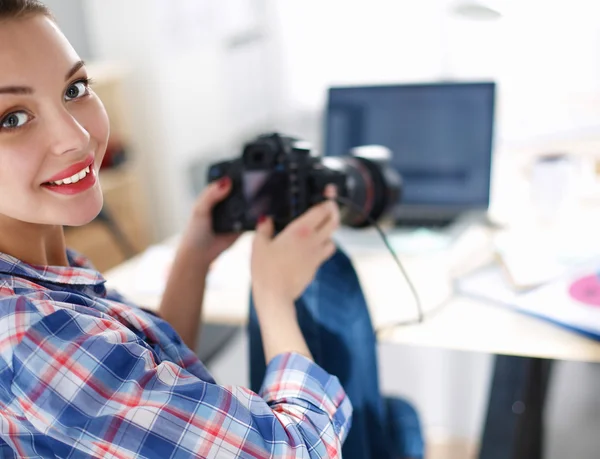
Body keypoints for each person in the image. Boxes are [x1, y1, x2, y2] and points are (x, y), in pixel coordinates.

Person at [0, 1, 352, 457]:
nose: (77, 138)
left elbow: (146, 383)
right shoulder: (29, 335)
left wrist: (196, 254)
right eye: (12, 118)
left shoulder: (46, 273)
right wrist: (273, 293)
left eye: (74, 89)